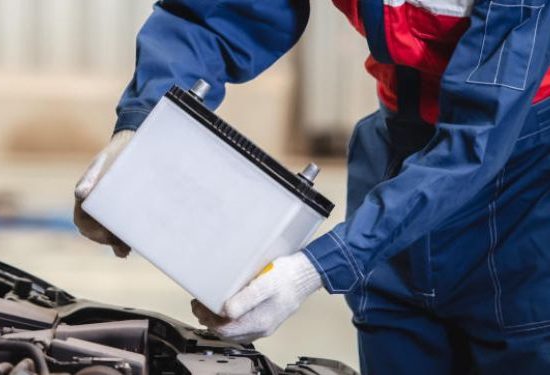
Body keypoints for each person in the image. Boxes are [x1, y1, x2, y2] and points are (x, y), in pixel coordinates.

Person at [73, 0, 550, 373]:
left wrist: (312, 269)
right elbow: (218, 14)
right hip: (397, 150)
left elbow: (480, 138)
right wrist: (143, 129)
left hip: (524, 183)